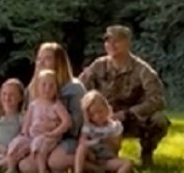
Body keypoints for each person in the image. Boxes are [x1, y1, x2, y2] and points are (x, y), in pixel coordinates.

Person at [79, 25, 169, 168]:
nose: (111, 45)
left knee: (159, 120)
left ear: (128, 43)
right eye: (108, 41)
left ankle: (146, 154)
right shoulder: (98, 66)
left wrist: (127, 113)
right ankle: (86, 157)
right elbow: (79, 88)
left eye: (117, 41)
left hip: (131, 119)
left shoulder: (142, 69)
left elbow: (157, 100)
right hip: (101, 117)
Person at [18, 42, 86, 173]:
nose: (41, 62)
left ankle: (92, 163)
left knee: (55, 162)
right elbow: (25, 115)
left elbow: (78, 124)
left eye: (47, 58)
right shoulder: (33, 88)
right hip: (39, 138)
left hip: (68, 138)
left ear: (59, 62)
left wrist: (53, 126)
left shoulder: (74, 88)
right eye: (39, 59)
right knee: (26, 167)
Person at [7, 70, 72, 173]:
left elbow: (67, 122)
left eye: (51, 86)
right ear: (38, 86)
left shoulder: (56, 105)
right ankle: (11, 168)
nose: (47, 89)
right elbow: (28, 121)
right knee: (16, 143)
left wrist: (54, 133)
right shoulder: (34, 104)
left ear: (56, 89)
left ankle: (42, 170)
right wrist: (24, 133)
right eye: (44, 85)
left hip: (48, 136)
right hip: (31, 136)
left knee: (38, 145)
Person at [75, 90, 132, 173]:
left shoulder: (114, 126)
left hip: (107, 160)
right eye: (92, 114)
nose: (98, 116)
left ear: (107, 109)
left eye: (100, 111)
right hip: (92, 158)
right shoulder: (89, 127)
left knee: (127, 164)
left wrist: (108, 139)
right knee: (81, 148)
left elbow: (116, 147)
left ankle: (104, 170)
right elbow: (82, 142)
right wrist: (90, 152)